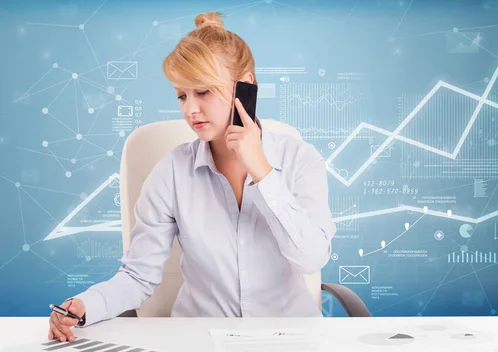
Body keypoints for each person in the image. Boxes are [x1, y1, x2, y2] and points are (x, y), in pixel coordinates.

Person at [48, 11, 336, 342]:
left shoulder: (300, 159)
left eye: (203, 92)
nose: (190, 110)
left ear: (247, 86)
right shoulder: (171, 172)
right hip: (200, 340)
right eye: (181, 95)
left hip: (289, 340)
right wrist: (85, 305)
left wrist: (262, 171)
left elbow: (311, 258)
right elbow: (139, 276)